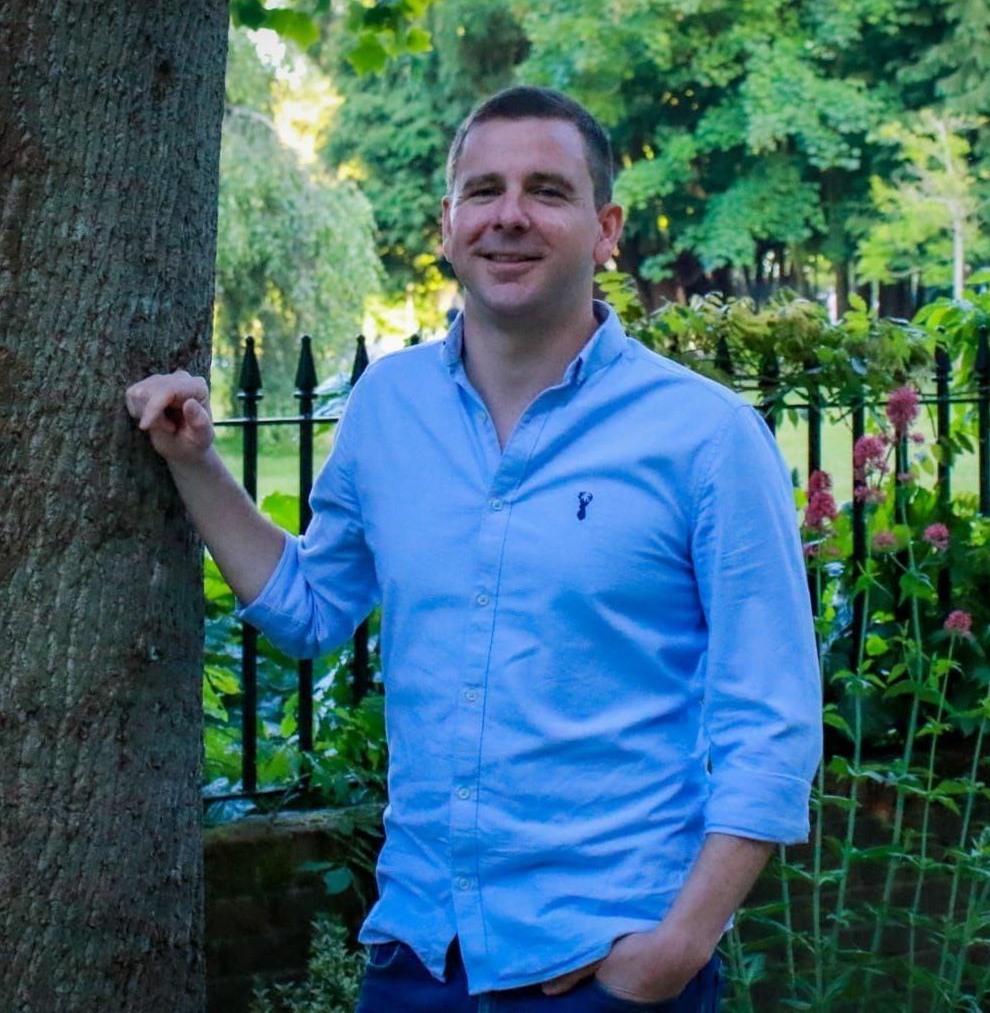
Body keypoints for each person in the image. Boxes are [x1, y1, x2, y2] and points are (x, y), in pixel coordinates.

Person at [126, 86, 822, 1012]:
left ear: (606, 229)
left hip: (609, 966)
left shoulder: (705, 437)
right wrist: (196, 462)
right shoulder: (388, 407)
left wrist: (674, 949)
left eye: (548, 190)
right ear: (447, 225)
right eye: (483, 190)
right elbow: (307, 609)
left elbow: (770, 716)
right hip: (419, 955)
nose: (510, 216)